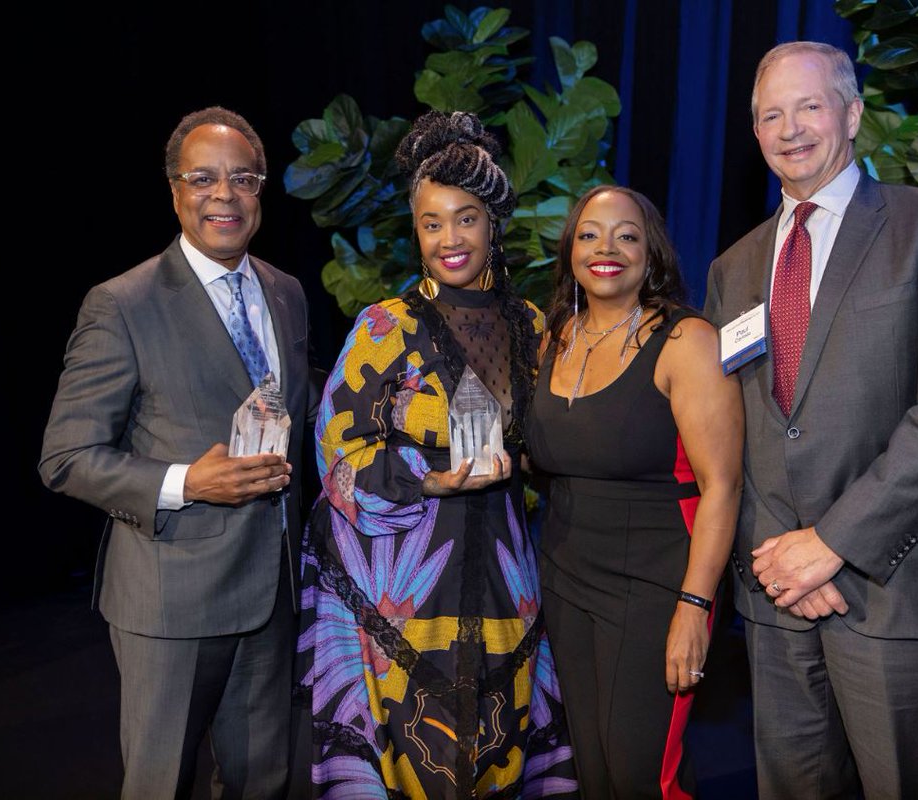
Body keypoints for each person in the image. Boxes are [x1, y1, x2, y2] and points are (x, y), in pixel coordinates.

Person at [704, 41, 918, 799]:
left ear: (854, 114)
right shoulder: (732, 269)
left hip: (897, 582)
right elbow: (739, 428)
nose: (791, 128)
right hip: (777, 592)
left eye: (809, 106)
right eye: (771, 114)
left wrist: (833, 545)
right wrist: (786, 559)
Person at [295, 110, 578, 797]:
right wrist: (429, 478)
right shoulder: (385, 326)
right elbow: (335, 457)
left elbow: (551, 444)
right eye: (431, 223)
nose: (449, 239)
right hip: (404, 585)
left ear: (494, 222)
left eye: (466, 218)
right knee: (414, 765)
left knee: (500, 758)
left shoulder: (533, 326)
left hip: (506, 579)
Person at [39, 106, 317, 799]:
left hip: (272, 593)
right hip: (172, 604)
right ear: (174, 190)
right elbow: (66, 456)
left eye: (243, 179)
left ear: (260, 191)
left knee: (265, 783)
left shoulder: (286, 293)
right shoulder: (122, 304)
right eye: (204, 178)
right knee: (162, 785)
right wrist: (185, 482)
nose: (224, 195)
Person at [525, 184, 744, 797]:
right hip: (567, 580)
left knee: (643, 773)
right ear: (571, 250)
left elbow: (722, 485)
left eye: (628, 236)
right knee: (591, 770)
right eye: (591, 235)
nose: (607, 249)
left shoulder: (686, 341)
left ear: (653, 255)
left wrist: (694, 609)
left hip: (656, 586)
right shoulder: (555, 338)